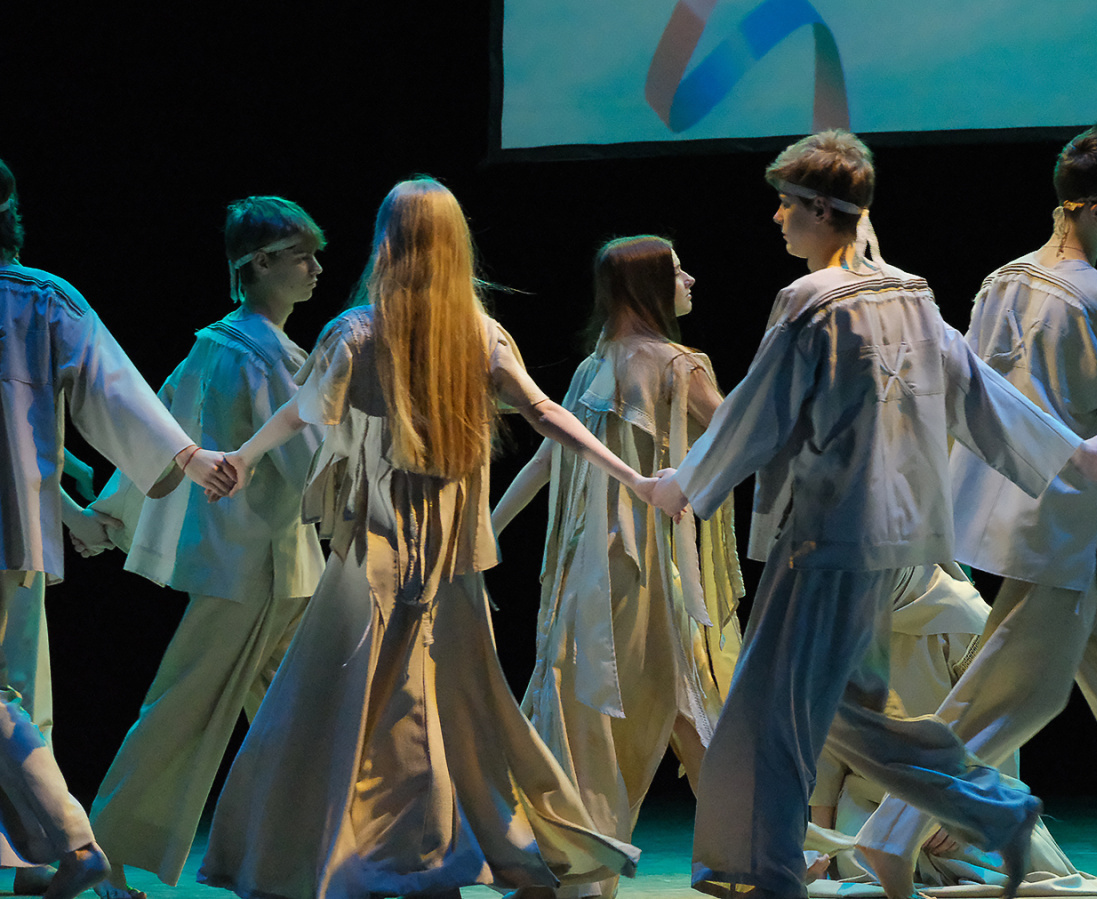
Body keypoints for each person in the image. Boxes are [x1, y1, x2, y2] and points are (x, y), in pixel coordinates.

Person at [651, 130, 1097, 899]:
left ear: (819, 209)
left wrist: (686, 482)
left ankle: (772, 866)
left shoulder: (810, 301)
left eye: (785, 203)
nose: (777, 217)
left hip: (827, 538)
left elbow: (757, 413)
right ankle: (772, 862)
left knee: (786, 708)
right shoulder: (910, 294)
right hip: (894, 541)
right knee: (833, 707)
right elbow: (977, 391)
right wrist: (1070, 452)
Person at [197, 178, 649, 899]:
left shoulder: (365, 331)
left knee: (370, 695)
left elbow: (302, 413)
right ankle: (416, 848)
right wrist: (636, 477)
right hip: (438, 546)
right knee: (434, 697)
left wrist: (243, 458)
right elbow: (543, 413)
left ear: (387, 243)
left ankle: (389, 851)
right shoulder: (467, 333)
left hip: (385, 542)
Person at [852, 128, 1097, 899]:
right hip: (1071, 534)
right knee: (1007, 698)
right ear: (1096, 206)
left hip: (1072, 531)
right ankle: (890, 829)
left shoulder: (1003, 281)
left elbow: (975, 400)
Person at [0, 157, 235, 899]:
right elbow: (103, 393)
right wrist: (179, 459)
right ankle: (28, 855)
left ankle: (72, 843)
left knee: (8, 692)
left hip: (19, 524)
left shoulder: (37, 299)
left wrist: (183, 457)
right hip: (19, 532)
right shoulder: (40, 298)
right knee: (15, 689)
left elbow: (99, 392)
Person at [84, 196, 331, 899]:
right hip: (248, 569)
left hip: (278, 568)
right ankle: (102, 847)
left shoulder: (237, 346)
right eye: (302, 256)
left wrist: (110, 514)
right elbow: (300, 456)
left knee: (293, 716)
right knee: (185, 709)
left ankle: (300, 854)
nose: (316, 268)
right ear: (261, 264)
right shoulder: (249, 352)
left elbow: (160, 428)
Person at [491, 235, 745, 898]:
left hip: (588, 571)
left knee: (613, 706)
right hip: (641, 569)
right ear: (649, 286)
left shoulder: (592, 367)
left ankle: (582, 863)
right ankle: (745, 855)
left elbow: (545, 461)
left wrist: (489, 531)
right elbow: (739, 436)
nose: (690, 279)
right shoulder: (677, 365)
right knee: (677, 701)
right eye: (677, 270)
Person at [805, 565, 1097, 898]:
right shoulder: (837, 624)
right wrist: (821, 845)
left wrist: (963, 807)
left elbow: (994, 729)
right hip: (870, 796)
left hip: (962, 788)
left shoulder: (962, 616)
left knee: (989, 858)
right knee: (857, 860)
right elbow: (830, 747)